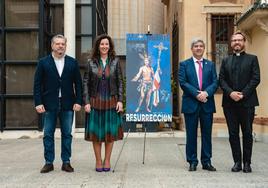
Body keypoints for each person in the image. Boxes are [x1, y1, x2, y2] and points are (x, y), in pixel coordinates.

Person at [33, 34, 82, 173]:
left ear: (65, 46)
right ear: (52, 46)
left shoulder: (72, 63)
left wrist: (79, 101)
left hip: (68, 104)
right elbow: (37, 84)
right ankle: (49, 162)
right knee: (48, 134)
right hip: (49, 104)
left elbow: (78, 84)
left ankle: (66, 162)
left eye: (63, 44)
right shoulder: (43, 63)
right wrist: (38, 102)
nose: (60, 46)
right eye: (58, 44)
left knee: (67, 134)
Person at [219, 31, 260, 173]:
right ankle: (237, 162)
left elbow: (256, 79)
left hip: (247, 102)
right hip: (229, 104)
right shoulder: (225, 60)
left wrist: (242, 94)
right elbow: (221, 80)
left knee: (247, 133)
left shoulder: (252, 59)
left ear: (244, 42)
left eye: (239, 40)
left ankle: (247, 163)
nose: (237, 42)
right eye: (234, 40)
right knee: (233, 133)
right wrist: (231, 93)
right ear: (231, 44)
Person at [83, 34, 123, 172]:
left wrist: (120, 100)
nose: (104, 46)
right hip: (95, 101)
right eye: (102, 44)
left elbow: (120, 82)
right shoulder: (90, 62)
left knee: (109, 133)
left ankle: (107, 160)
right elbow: (86, 83)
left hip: (111, 101)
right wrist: (86, 102)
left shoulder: (115, 62)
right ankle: (98, 161)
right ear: (98, 46)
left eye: (106, 44)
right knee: (97, 133)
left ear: (110, 46)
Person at [178, 38, 218, 172]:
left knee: (207, 134)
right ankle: (192, 161)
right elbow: (183, 82)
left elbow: (215, 82)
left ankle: (206, 161)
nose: (199, 48)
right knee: (191, 134)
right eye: (196, 46)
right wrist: (197, 94)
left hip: (207, 103)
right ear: (192, 48)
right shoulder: (184, 64)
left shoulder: (211, 65)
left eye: (201, 46)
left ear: (204, 48)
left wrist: (206, 93)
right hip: (191, 104)